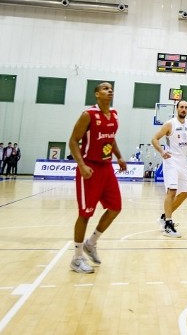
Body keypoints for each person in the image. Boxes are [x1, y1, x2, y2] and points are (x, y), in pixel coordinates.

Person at [67, 82, 127, 273]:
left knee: (116, 207)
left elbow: (111, 137)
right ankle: (76, 258)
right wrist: (82, 165)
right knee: (85, 214)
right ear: (96, 94)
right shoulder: (88, 115)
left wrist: (119, 156)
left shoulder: (115, 114)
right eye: (104, 88)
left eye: (110, 88)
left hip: (106, 167)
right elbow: (73, 141)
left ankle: (91, 243)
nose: (109, 91)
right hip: (89, 168)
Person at [151, 99, 187, 238]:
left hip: (183, 162)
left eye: (186, 107)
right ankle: (168, 224)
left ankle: (164, 217)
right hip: (170, 160)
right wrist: (162, 152)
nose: (184, 109)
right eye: (181, 107)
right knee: (172, 190)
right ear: (177, 108)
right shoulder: (169, 124)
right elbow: (154, 139)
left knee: (185, 193)